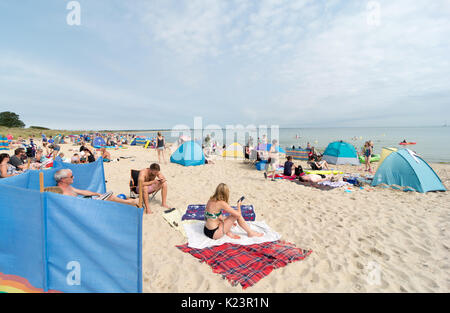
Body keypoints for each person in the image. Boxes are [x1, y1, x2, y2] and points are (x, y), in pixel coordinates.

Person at [54, 169, 138, 206]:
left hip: (86, 202)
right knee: (110, 197)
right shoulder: (61, 192)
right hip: (86, 206)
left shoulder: (68, 187)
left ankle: (130, 202)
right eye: (71, 176)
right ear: (63, 179)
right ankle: (132, 203)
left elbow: (82, 192)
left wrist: (96, 193)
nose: (74, 178)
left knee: (108, 195)